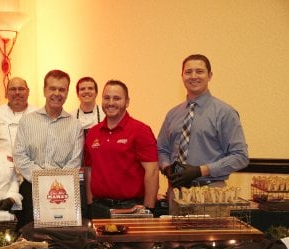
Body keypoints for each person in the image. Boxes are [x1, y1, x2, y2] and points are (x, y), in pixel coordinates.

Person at [157, 54, 249, 202]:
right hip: (176, 193)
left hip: (211, 193)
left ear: (210, 75)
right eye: (188, 72)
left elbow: (240, 157)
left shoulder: (225, 113)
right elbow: (162, 149)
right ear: (182, 76)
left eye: (199, 71)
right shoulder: (172, 114)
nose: (193, 76)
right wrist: (167, 167)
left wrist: (201, 170)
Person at [13, 69, 84, 229]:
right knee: (31, 241)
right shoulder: (27, 121)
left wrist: (53, 184)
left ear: (67, 93)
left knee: (62, 239)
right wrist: (42, 181)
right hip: (31, 190)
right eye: (52, 88)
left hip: (63, 194)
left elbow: (75, 161)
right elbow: (20, 156)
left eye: (62, 89)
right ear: (45, 90)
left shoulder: (75, 125)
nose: (57, 93)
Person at [84, 80, 159, 218]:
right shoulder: (92, 133)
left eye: (117, 98)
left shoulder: (141, 131)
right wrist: (90, 204)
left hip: (131, 208)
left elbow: (152, 171)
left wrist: (149, 209)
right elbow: (89, 170)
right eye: (106, 98)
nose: (111, 102)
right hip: (99, 207)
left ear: (127, 102)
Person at [70, 77, 105, 218]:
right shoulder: (70, 117)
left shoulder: (105, 115)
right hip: (76, 175)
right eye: (82, 89)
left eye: (90, 88)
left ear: (96, 92)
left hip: (99, 173)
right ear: (77, 93)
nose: (86, 91)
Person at [0, 77, 37, 153]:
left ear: (28, 91)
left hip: (31, 163)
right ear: (6, 92)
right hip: (1, 163)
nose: (17, 92)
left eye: (21, 89)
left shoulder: (38, 114)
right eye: (13, 89)